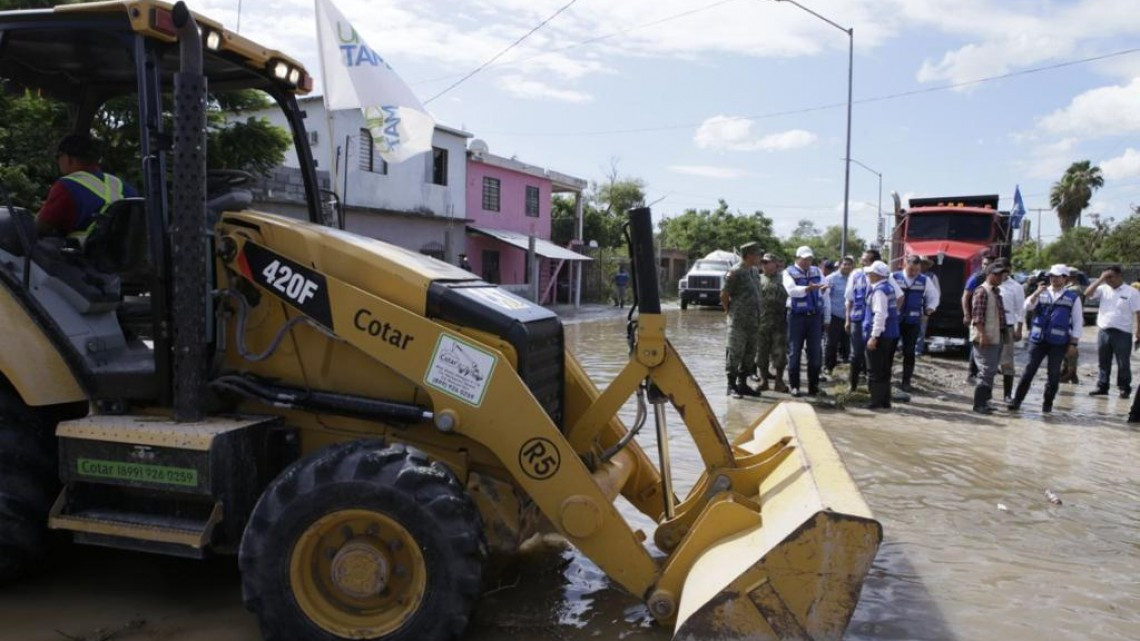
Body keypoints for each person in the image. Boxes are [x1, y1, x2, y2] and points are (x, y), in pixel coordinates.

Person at [1009, 264, 1082, 413]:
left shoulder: (1072, 297)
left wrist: (1074, 343)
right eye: (1051, 276)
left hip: (1058, 342)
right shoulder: (1040, 292)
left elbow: (1078, 321)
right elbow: (1026, 307)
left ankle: (1047, 406)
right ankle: (1017, 401)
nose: (1053, 279)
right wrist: (1036, 293)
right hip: (1038, 340)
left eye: (1057, 276)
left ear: (1065, 278)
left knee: (1054, 374)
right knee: (1028, 371)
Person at [36, 133, 137, 241]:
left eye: (58, 157)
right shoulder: (125, 187)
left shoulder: (66, 185)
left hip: (85, 254)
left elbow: (40, 227)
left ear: (68, 158)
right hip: (124, 256)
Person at [845, 249, 902, 392]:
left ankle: (874, 391)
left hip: (875, 322)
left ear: (874, 262)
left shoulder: (884, 277)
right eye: (862, 259)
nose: (862, 262)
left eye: (866, 260)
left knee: (873, 357)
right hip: (858, 319)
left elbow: (900, 296)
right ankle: (852, 385)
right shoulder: (856, 274)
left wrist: (890, 317)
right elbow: (849, 298)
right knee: (856, 354)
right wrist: (847, 318)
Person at [1084, 264, 1140, 398]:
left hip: (1123, 332)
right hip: (1104, 331)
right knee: (1103, 361)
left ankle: (1124, 387)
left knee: (1123, 363)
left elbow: (1138, 312)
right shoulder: (1103, 289)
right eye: (1106, 277)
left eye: (1110, 277)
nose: (1108, 280)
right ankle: (1102, 386)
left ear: (1119, 276)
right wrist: (1100, 279)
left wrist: (1139, 331)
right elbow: (1087, 294)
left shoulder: (1131, 292)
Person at [783, 245, 830, 397]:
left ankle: (813, 386)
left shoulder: (817, 271)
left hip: (814, 316)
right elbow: (791, 291)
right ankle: (794, 386)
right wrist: (807, 289)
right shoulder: (788, 272)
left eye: (809, 259)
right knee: (794, 351)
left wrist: (823, 289)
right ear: (797, 258)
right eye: (804, 259)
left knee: (815, 353)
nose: (807, 262)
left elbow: (825, 290)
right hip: (796, 316)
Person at [721, 242, 763, 398]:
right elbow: (724, 295)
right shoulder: (735, 272)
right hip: (738, 321)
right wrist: (730, 313)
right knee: (735, 352)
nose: (759, 257)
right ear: (749, 255)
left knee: (750, 354)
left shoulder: (753, 271)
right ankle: (731, 386)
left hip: (754, 321)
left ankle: (742, 384)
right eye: (757, 254)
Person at [892, 255, 939, 392]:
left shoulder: (925, 280)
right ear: (905, 265)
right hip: (894, 321)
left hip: (913, 321)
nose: (913, 273)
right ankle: (885, 380)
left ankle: (906, 382)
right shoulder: (894, 277)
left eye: (917, 270)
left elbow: (933, 296)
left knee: (909, 352)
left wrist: (930, 307)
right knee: (889, 350)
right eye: (911, 269)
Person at [970, 262, 1008, 414]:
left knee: (991, 371)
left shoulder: (995, 292)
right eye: (997, 274)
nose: (1000, 277)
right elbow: (977, 317)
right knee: (986, 371)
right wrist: (982, 335)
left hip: (995, 336)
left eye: (1002, 274)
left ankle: (986, 401)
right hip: (985, 337)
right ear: (989, 274)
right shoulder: (982, 292)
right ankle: (979, 404)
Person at [863, 260, 900, 410]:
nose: (868, 275)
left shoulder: (879, 291)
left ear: (877, 275)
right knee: (885, 368)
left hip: (881, 335)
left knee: (875, 369)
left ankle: (876, 401)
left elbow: (880, 315)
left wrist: (874, 337)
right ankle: (885, 401)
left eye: (871, 273)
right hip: (891, 334)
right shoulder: (889, 288)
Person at [755, 252, 789, 393]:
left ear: (776, 264)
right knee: (761, 354)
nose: (764, 265)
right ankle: (763, 381)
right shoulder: (757, 279)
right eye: (763, 262)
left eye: (767, 262)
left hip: (779, 323)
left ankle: (779, 382)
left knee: (780, 354)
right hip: (761, 323)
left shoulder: (784, 279)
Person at [961, 253, 995, 384]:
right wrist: (966, 314)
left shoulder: (996, 279)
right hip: (977, 317)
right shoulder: (976, 278)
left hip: (991, 318)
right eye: (984, 264)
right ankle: (971, 373)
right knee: (975, 345)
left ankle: (983, 372)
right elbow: (965, 296)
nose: (985, 267)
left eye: (988, 265)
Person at [997, 261, 1026, 403]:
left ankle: (1007, 395)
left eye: (1005, 270)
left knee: (1007, 362)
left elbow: (1021, 309)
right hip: (991, 326)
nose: (1003, 273)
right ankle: (985, 394)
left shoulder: (1016, 287)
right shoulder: (989, 283)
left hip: (1007, 327)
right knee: (988, 361)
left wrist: (1019, 329)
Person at [824, 256, 854, 375]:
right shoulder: (831, 279)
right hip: (834, 315)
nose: (847, 266)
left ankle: (844, 368)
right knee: (831, 343)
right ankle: (828, 366)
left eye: (849, 264)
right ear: (840, 265)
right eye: (845, 264)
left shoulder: (853, 278)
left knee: (847, 343)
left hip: (849, 316)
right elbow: (825, 298)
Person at [1059, 270, 1087, 383]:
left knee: (1070, 348)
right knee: (1067, 348)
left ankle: (1070, 373)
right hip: (1070, 320)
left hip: (1071, 321)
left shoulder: (1073, 289)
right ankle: (1068, 372)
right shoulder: (1077, 288)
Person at [916, 256, 941, 356]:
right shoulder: (911, 274)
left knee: (921, 330)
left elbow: (936, 293)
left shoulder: (932, 277)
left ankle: (917, 350)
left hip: (924, 307)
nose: (922, 265)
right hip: (909, 307)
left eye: (924, 263)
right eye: (920, 263)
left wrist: (931, 307)